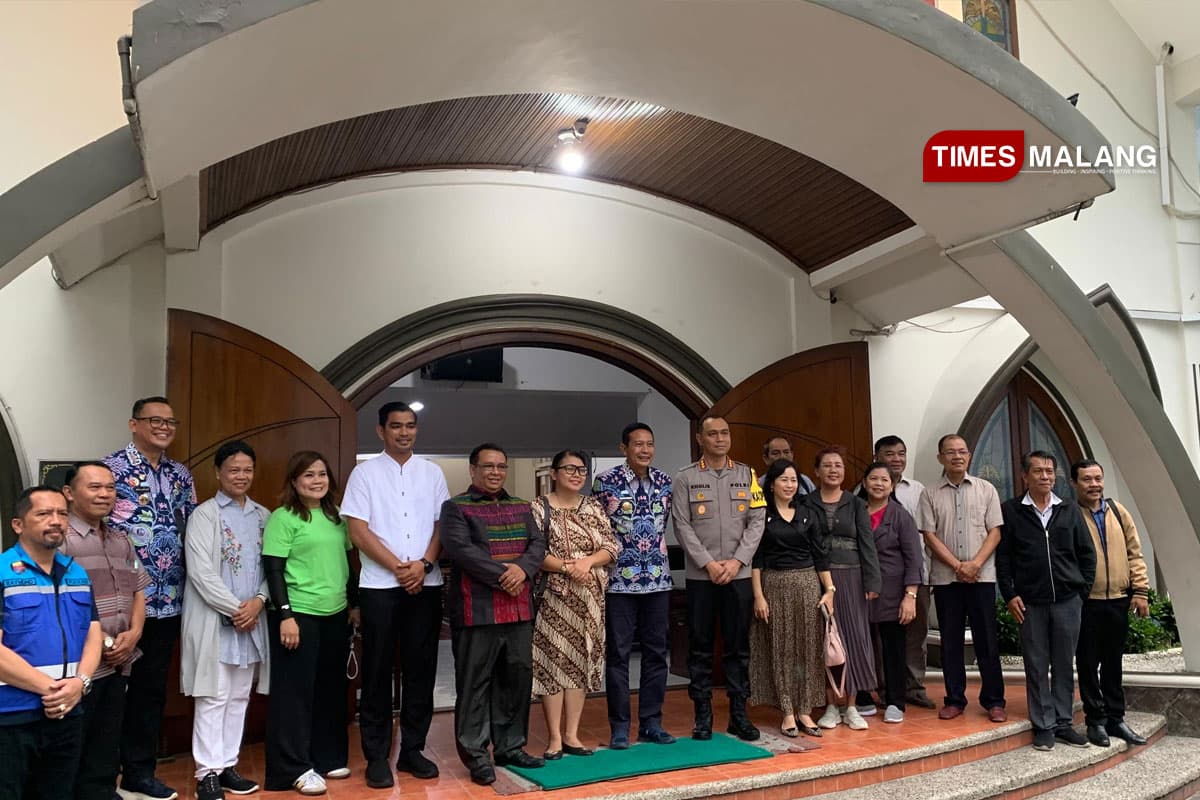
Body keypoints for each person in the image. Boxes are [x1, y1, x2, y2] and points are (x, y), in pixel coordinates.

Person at [341, 402, 449, 788]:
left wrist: (424, 565)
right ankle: (377, 756)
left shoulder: (432, 472)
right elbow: (358, 531)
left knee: (421, 671)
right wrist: (399, 568)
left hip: (425, 585)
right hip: (379, 588)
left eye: (410, 426)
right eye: (396, 426)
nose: (404, 432)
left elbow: (441, 526)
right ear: (381, 431)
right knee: (377, 671)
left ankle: (412, 751)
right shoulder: (364, 474)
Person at [439, 443, 548, 786]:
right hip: (477, 610)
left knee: (515, 681)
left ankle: (510, 747)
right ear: (473, 470)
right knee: (475, 684)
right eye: (488, 466)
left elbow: (538, 544)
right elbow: (460, 551)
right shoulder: (455, 507)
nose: (495, 472)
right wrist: (507, 575)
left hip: (519, 610)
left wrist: (523, 569)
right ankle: (475, 755)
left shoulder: (521, 506)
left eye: (501, 466)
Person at [106, 397, 196, 800]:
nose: (163, 427)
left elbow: (191, 528)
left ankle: (139, 773)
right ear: (133, 424)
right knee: (108, 691)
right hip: (119, 601)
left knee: (150, 691)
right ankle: (100, 777)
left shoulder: (180, 474)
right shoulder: (110, 470)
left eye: (170, 421)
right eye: (154, 420)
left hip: (170, 599)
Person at [262, 452, 359, 796]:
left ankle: (328, 758)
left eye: (321, 474)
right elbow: (273, 569)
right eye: (308, 475)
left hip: (335, 613)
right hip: (298, 615)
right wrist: (285, 614)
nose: (317, 481)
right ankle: (293, 769)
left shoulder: (337, 517)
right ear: (294, 481)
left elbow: (347, 563)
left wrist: (353, 604)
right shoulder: (283, 518)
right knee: (294, 695)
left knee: (330, 690)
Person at [181, 441, 271, 800]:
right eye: (234, 469)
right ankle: (207, 773)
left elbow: (273, 568)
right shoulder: (204, 515)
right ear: (218, 472)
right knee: (212, 697)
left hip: (252, 622)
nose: (241, 476)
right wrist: (238, 609)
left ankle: (228, 765)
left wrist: (259, 601)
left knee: (238, 697)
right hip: (216, 621)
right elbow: (200, 572)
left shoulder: (264, 516)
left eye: (247, 469)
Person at [1, 487, 103, 800]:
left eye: (62, 513)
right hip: (11, 716)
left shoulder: (77, 573)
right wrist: (54, 689)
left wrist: (80, 684)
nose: (56, 520)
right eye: (44, 514)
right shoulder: (3, 572)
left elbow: (93, 633)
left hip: (66, 715)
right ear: (18, 524)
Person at [673, 414, 766, 742]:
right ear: (700, 439)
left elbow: (757, 520)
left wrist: (738, 560)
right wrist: (709, 564)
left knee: (738, 647)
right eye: (712, 434)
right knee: (699, 647)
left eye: (724, 433)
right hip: (702, 577)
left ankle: (739, 715)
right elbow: (682, 524)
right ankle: (703, 716)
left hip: (738, 575)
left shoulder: (747, 474)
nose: (720, 439)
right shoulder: (685, 477)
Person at [60, 463, 150, 800]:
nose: (104, 494)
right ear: (69, 493)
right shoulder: (60, 540)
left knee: (106, 741)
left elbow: (138, 589)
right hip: (79, 664)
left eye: (110, 488)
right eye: (94, 487)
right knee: (73, 744)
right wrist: (106, 641)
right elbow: (59, 603)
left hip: (118, 661)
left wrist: (135, 632)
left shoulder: (120, 540)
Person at [998, 451, 1095, 751]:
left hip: (1068, 600)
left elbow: (1087, 554)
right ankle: (1043, 725)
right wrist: (1009, 594)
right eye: (1038, 471)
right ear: (1024, 476)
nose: (1045, 476)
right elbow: (1003, 559)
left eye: (1050, 471)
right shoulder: (1011, 511)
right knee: (1037, 663)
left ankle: (1064, 722)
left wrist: (1081, 593)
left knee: (1064, 662)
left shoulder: (1068, 509)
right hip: (1030, 602)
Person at [531, 450, 620, 760]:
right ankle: (554, 738)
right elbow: (534, 553)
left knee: (581, 663)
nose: (576, 474)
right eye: (569, 469)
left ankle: (572, 734)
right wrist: (569, 568)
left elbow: (611, 546)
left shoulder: (593, 506)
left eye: (581, 470)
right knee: (553, 663)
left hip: (589, 600)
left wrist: (588, 562)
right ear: (553, 473)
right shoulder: (538, 508)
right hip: (554, 598)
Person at [592, 422, 675, 749]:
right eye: (638, 444)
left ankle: (652, 723)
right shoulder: (606, 482)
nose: (645, 450)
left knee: (657, 653)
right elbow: (597, 529)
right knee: (618, 656)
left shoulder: (665, 482)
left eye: (649, 444)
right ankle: (620, 727)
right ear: (623, 448)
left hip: (657, 580)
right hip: (618, 584)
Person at [917, 434, 1007, 722]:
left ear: (969, 455)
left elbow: (995, 531)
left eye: (962, 451)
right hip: (947, 579)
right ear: (940, 458)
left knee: (987, 640)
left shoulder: (986, 489)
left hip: (982, 577)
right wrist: (958, 566)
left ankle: (994, 701)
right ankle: (955, 699)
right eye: (950, 452)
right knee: (951, 641)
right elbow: (929, 535)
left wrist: (975, 564)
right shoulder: (930, 493)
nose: (957, 456)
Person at [749, 459, 834, 739]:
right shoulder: (762, 515)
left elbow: (820, 555)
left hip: (807, 585)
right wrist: (759, 596)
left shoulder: (808, 513)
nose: (789, 485)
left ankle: (805, 710)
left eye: (793, 480)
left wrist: (829, 590)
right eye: (783, 480)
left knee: (808, 648)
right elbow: (757, 559)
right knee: (780, 648)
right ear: (772, 484)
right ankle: (787, 710)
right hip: (774, 585)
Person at [1072, 459, 1150, 747]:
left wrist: (1140, 591)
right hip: (1086, 602)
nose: (1094, 484)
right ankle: (1095, 721)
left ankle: (1116, 719)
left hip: (1118, 600)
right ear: (1074, 483)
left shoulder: (1118, 511)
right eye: (1087, 479)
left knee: (1113, 663)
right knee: (1088, 663)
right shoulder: (1070, 515)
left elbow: (1134, 553)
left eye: (1098, 478)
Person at [805, 447, 880, 731]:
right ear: (816, 471)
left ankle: (851, 706)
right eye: (827, 465)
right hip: (816, 578)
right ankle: (830, 706)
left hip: (852, 577)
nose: (833, 470)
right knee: (825, 641)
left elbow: (867, 544)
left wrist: (872, 581)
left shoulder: (856, 504)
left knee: (852, 639)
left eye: (838, 465)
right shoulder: (806, 503)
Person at [857, 462, 922, 723]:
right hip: (858, 589)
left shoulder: (901, 516)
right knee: (859, 643)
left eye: (885, 480)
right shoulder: (853, 511)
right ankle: (862, 695)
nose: (879, 484)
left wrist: (910, 596)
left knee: (893, 647)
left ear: (892, 485)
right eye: (873, 478)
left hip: (893, 592)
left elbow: (914, 558)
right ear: (864, 483)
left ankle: (895, 701)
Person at [872, 435, 933, 710]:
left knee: (915, 635)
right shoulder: (864, 493)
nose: (896, 459)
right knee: (882, 637)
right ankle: (886, 687)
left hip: (916, 574)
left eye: (901, 453)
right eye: (889, 454)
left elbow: (925, 532)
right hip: (881, 579)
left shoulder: (917, 489)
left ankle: (914, 686)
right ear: (877, 457)